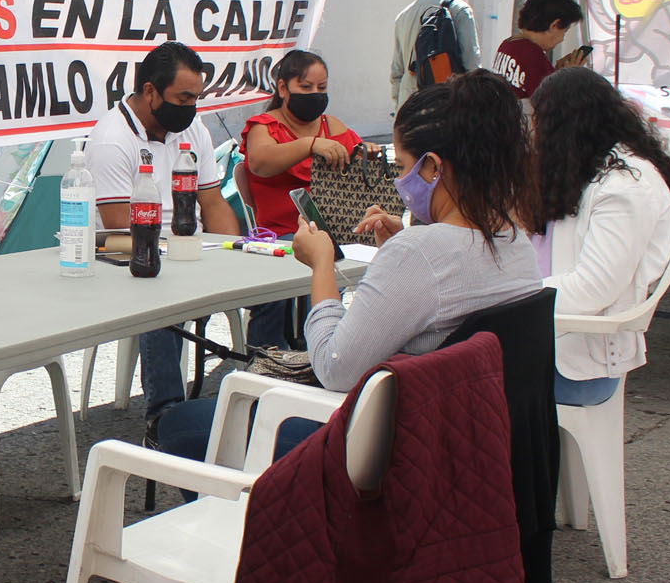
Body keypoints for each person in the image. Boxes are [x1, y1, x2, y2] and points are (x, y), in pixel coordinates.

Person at [156, 70, 542, 451]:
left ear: (433, 167)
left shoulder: (417, 254)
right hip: (469, 436)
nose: (399, 181)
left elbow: (334, 367)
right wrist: (406, 242)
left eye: (404, 168)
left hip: (384, 449)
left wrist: (322, 267)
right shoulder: (513, 239)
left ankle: (253, 509)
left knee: (181, 425)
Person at [85, 40, 241, 439]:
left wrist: (240, 255)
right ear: (150, 91)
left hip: (189, 247)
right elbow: (123, 230)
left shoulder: (191, 127)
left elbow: (211, 200)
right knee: (158, 291)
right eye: (184, 97)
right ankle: (165, 416)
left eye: (196, 98)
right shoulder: (112, 139)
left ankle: (265, 383)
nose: (191, 107)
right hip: (125, 252)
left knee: (272, 282)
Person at [530, 68, 670, 406]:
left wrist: (507, 299)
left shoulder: (627, 186)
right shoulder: (584, 169)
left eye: (539, 123)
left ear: (565, 127)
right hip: (545, 340)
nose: (534, 134)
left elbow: (594, 287)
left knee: (443, 383)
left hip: (574, 362)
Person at [236, 48, 371, 344]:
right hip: (279, 235)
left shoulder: (330, 125)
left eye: (322, 88)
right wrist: (309, 145)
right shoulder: (264, 126)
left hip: (328, 232)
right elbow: (259, 162)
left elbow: (358, 157)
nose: (315, 94)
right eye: (306, 87)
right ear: (283, 88)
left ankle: (322, 348)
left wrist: (365, 152)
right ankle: (268, 359)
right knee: (278, 293)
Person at [388, 0, 482, 111]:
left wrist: (398, 106)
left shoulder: (404, 15)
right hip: (447, 100)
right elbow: (471, 62)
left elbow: (397, 71)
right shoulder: (459, 10)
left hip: (410, 102)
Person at [495, 0, 586, 101]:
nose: (562, 39)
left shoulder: (508, 44)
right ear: (554, 25)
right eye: (565, 31)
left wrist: (555, 74)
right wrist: (568, 76)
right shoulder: (532, 53)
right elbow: (552, 105)